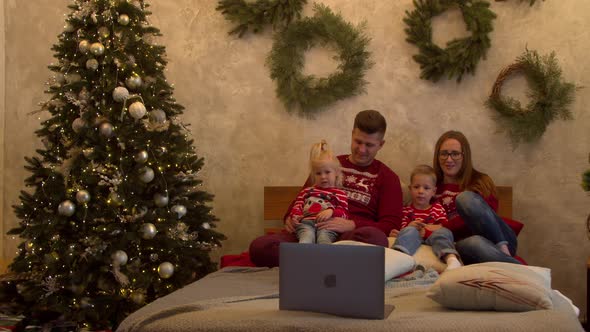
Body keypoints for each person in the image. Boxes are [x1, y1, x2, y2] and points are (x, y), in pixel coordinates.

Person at [249, 110, 404, 267]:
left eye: (369, 145)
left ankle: (307, 261)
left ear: (381, 144)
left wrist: (352, 224)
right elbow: (300, 200)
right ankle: (325, 261)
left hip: (347, 239)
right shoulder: (328, 164)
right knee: (260, 247)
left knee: (375, 239)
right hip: (308, 231)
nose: (362, 149)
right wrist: (291, 218)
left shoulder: (388, 177)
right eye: (358, 142)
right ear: (351, 135)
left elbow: (391, 224)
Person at [433, 130, 521, 264]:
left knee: (465, 198)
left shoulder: (480, 181)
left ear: (465, 156)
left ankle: (503, 250)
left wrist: (442, 227)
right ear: (438, 156)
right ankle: (518, 269)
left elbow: (484, 219)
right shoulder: (430, 187)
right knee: (474, 243)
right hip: (468, 245)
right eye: (444, 153)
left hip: (500, 237)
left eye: (455, 154)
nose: (449, 159)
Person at [390, 165, 462, 271]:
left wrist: (426, 232)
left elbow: (442, 226)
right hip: (413, 238)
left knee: (443, 233)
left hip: (433, 238)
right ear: (410, 189)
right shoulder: (406, 210)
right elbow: (401, 228)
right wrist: (408, 227)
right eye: (416, 187)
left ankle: (451, 259)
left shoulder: (437, 208)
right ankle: (398, 257)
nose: (420, 191)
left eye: (426, 188)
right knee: (409, 230)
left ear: (433, 191)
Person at [290, 140, 348, 244]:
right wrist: (295, 216)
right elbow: (297, 205)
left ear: (336, 173)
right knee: (306, 238)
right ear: (313, 175)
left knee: (324, 240)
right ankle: (302, 258)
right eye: (318, 173)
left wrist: (331, 211)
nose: (323, 177)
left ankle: (324, 259)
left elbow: (344, 213)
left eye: (327, 172)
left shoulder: (340, 194)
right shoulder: (307, 191)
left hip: (327, 226)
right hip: (306, 224)